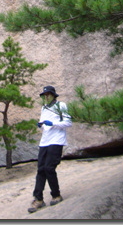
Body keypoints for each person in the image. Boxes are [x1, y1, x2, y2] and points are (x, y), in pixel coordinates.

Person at [28, 85, 72, 213]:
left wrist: (53, 124)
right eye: (44, 95)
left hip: (57, 141)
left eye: (48, 94)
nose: (46, 97)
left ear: (53, 95)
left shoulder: (61, 106)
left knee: (49, 168)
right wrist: (41, 125)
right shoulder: (44, 108)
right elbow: (44, 126)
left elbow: (68, 122)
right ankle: (38, 199)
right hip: (45, 142)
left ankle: (56, 194)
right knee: (41, 169)